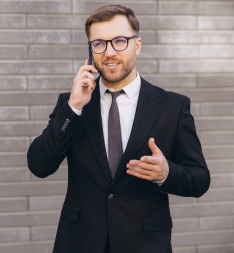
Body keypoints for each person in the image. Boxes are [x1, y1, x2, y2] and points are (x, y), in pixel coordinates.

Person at [27, 4, 210, 253]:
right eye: (99, 43)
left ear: (138, 44)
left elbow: (200, 180)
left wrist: (166, 174)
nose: (109, 52)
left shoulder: (173, 106)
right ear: (90, 50)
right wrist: (73, 107)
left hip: (144, 244)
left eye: (120, 41)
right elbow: (39, 165)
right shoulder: (72, 103)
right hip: (79, 243)